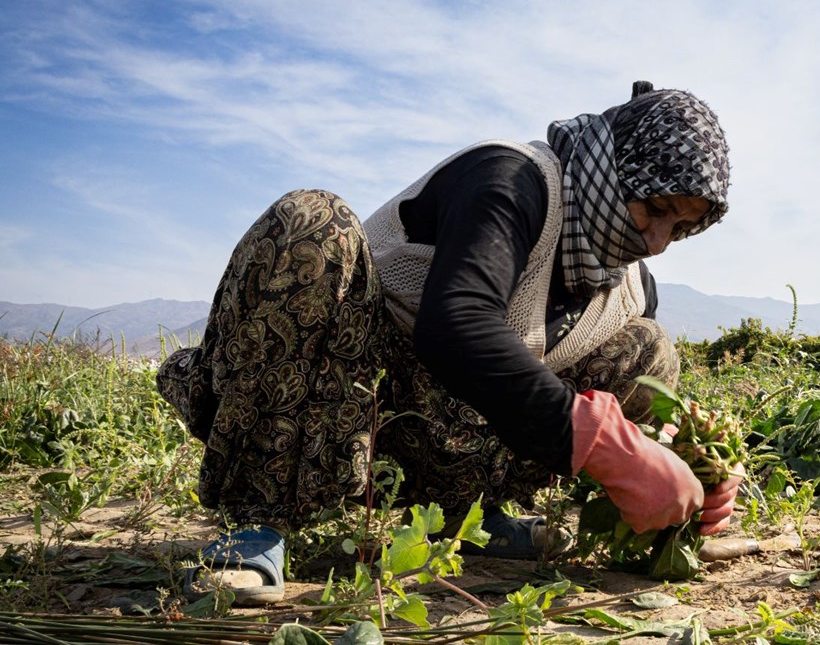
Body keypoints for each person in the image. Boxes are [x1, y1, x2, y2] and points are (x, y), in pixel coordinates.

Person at [156, 80, 740, 605]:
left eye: (682, 226)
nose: (659, 240)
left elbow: (614, 406)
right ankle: (256, 525)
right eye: (656, 208)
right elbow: (456, 324)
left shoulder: (631, 283)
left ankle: (465, 516)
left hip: (442, 432)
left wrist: (681, 461)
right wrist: (603, 443)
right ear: (613, 170)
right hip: (346, 392)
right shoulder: (513, 182)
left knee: (647, 350)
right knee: (312, 222)